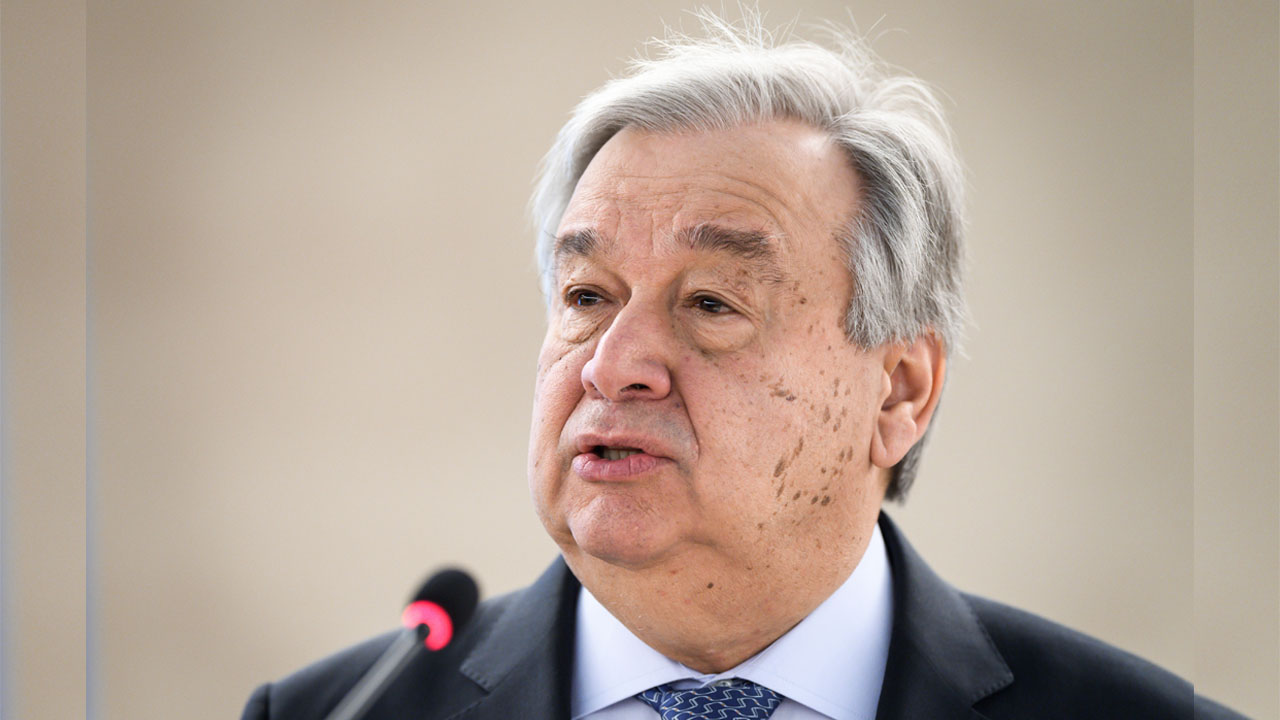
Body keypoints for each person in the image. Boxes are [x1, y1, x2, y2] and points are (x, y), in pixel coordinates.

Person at [241, 13, 1242, 720]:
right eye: (587, 297)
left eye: (712, 304)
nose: (613, 367)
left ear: (899, 391)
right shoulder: (337, 712)